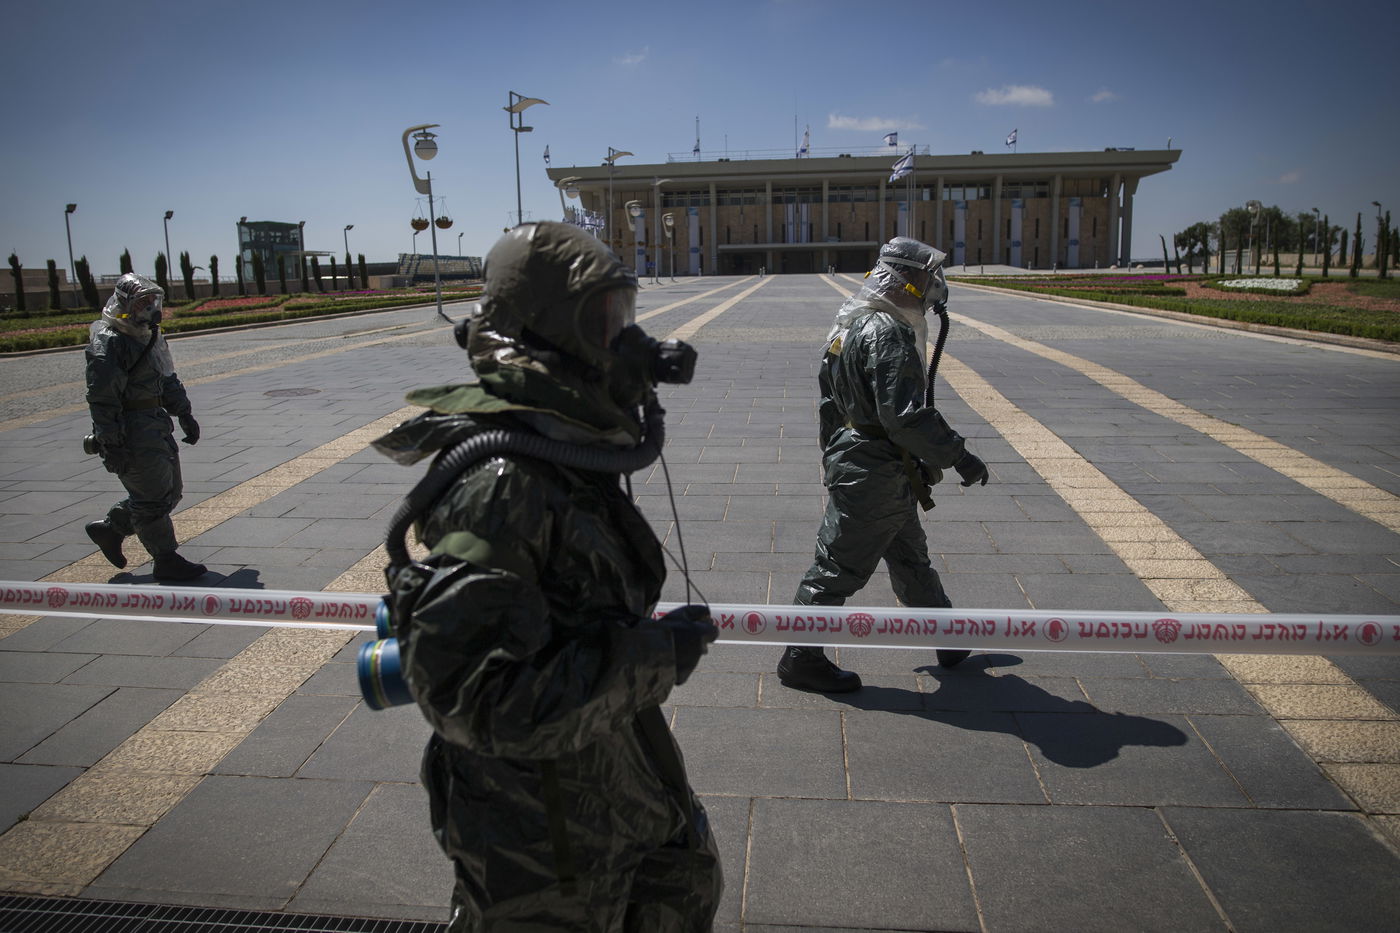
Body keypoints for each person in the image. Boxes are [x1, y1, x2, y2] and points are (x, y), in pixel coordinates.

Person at [372, 221, 722, 930]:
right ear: (547, 331)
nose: (623, 339)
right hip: (544, 848)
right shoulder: (505, 483)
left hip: (604, 787)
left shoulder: (556, 449)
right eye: (603, 320)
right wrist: (654, 658)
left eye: (623, 315)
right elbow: (480, 699)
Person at [779, 237, 990, 692]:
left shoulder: (850, 325)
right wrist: (960, 457)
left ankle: (948, 637)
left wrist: (836, 452)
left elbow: (828, 402)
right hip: (874, 473)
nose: (934, 284)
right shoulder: (887, 332)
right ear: (905, 278)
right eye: (926, 276)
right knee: (836, 568)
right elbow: (906, 416)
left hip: (874, 466)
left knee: (911, 558)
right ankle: (800, 657)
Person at [84, 273, 206, 581]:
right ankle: (166, 559)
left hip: (154, 422)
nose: (151, 308)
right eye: (143, 302)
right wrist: (111, 443)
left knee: (169, 492)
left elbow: (166, 376)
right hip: (131, 428)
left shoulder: (147, 335)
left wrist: (184, 413)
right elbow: (102, 398)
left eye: (153, 301)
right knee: (152, 498)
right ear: (125, 305)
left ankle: (111, 529)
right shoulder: (110, 341)